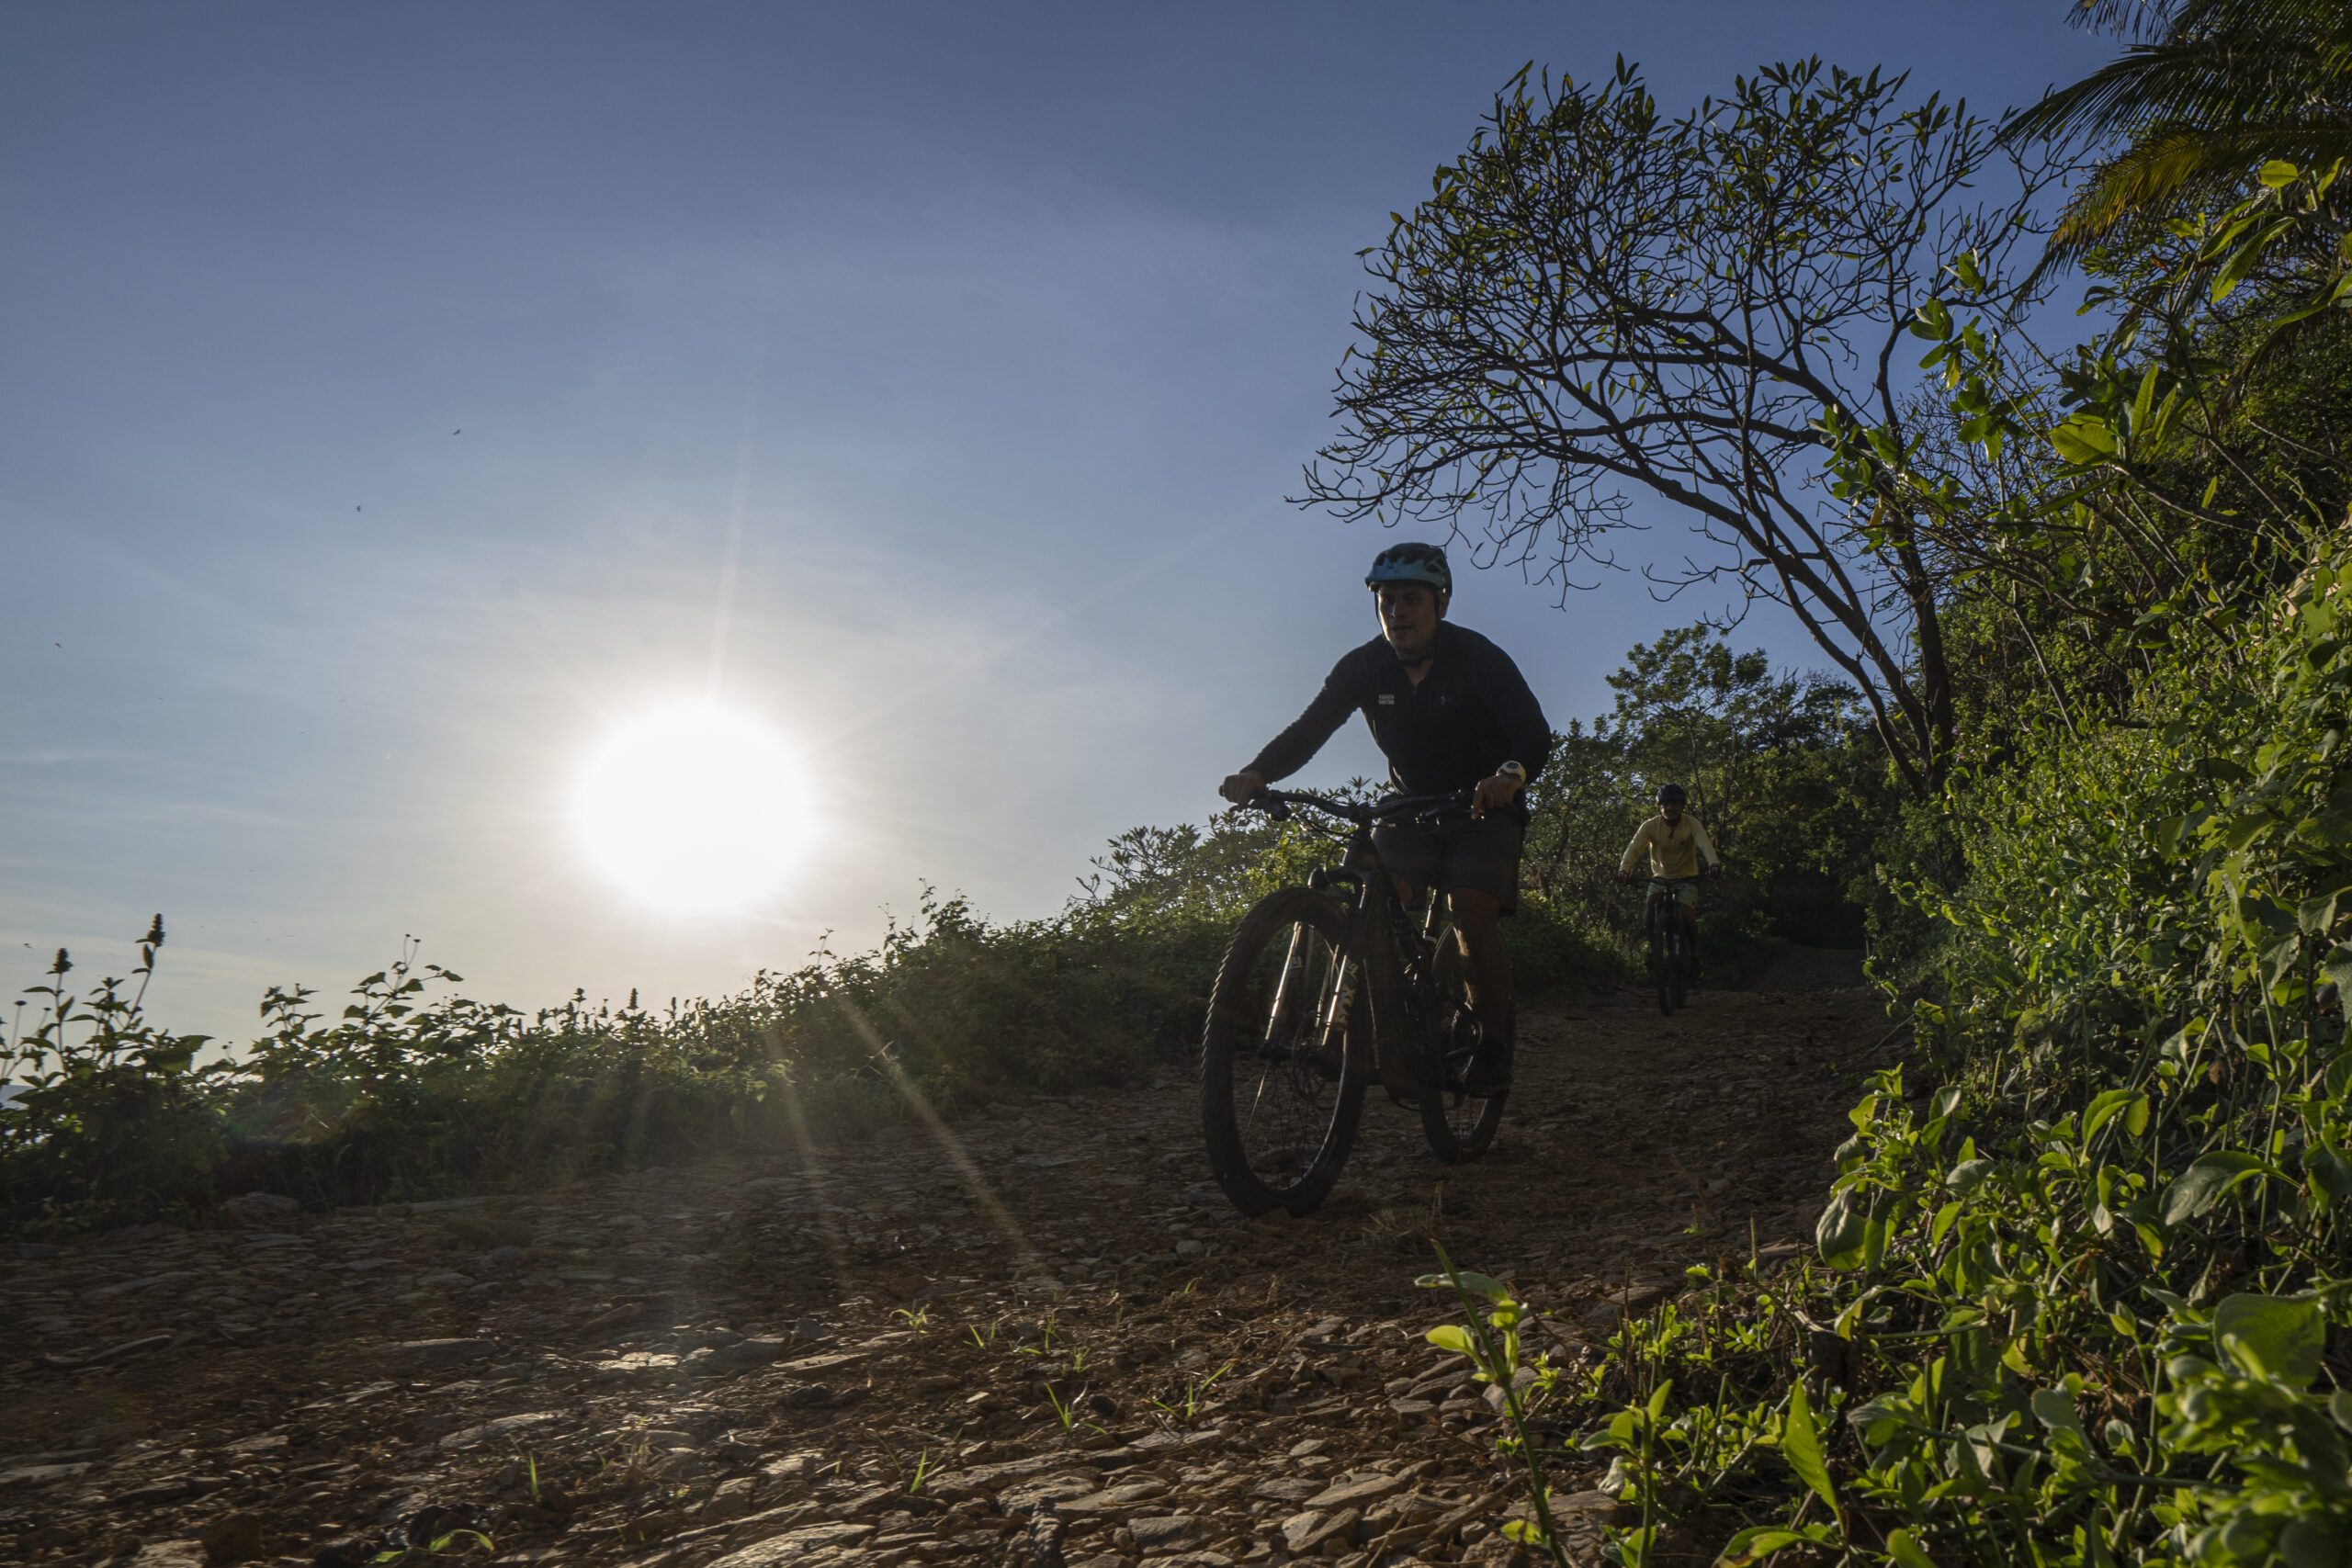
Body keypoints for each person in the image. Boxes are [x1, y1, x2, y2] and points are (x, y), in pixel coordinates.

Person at [1217, 541, 1548, 1097]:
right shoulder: (1364, 667)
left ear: (1439, 603)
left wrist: (1508, 776)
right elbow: (1309, 730)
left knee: (1470, 911)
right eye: (1387, 600)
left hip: (1481, 807)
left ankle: (1492, 1043)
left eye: (1412, 600)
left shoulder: (1478, 658)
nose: (1398, 611)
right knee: (1377, 896)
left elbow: (1532, 734)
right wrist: (1257, 773)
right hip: (1411, 807)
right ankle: (1377, 1032)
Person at [1615, 783, 1721, 984]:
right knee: (1650, 906)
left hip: (1687, 878)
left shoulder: (1692, 824)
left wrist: (1713, 864)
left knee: (1689, 917)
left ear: (1681, 806)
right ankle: (1653, 948)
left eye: (1674, 804)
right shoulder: (1650, 826)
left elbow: (1704, 844)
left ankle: (1695, 958)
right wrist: (1624, 869)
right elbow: (1634, 848)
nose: (1669, 808)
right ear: (1659, 807)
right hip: (1660, 878)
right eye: (1664, 805)